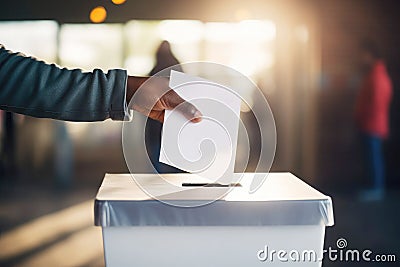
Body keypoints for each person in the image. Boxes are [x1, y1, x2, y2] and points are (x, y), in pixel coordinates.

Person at [0, 44, 202, 123]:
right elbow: (9, 75)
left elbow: (7, 74)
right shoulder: (177, 65)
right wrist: (124, 91)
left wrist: (126, 91)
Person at [355, 40, 392, 201]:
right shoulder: (376, 74)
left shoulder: (377, 76)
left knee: (374, 158)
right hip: (372, 124)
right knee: (372, 157)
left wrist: (362, 116)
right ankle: (373, 187)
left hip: (372, 125)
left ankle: (375, 189)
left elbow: (375, 103)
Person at [146, 41, 183, 173]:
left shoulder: (154, 71)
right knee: (177, 157)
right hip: (176, 120)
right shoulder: (179, 69)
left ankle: (157, 182)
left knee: (156, 156)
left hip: (155, 122)